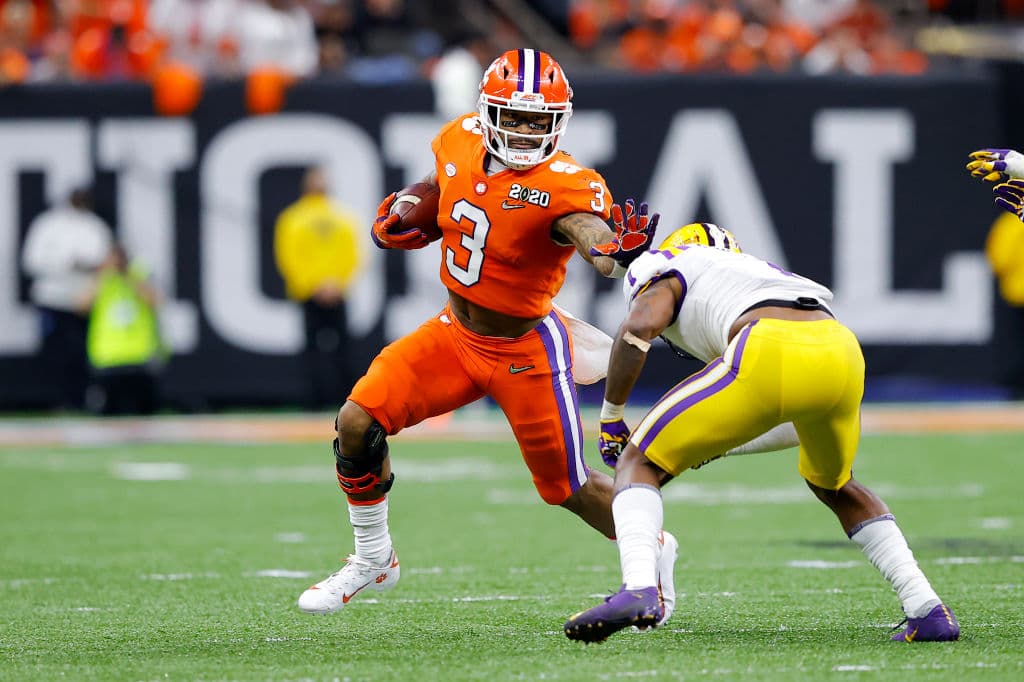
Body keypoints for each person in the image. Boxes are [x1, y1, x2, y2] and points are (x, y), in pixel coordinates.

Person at [296, 48, 679, 624]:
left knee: (566, 487)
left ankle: (654, 552)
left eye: (538, 121)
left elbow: (588, 234)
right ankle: (374, 557)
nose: (525, 131)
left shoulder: (566, 183)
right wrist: (411, 210)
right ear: (487, 112)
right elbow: (439, 186)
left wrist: (611, 252)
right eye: (515, 117)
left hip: (525, 347)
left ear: (559, 123)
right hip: (454, 334)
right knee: (356, 421)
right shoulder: (458, 139)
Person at [563, 223, 959, 644]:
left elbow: (639, 327)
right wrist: (714, 445)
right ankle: (927, 608)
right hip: (841, 351)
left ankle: (639, 589)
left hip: (768, 345)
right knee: (836, 485)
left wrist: (611, 415)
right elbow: (793, 426)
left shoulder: (672, 263)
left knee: (638, 461)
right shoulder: (754, 273)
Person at [274, 166, 363, 410]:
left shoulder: (294, 218)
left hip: (315, 292)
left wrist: (316, 285)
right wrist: (333, 284)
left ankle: (319, 402)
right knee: (337, 350)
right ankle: (343, 400)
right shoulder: (341, 217)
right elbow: (352, 255)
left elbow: (288, 257)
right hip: (326, 292)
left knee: (320, 350)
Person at [21, 186, 113, 410]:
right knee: (56, 353)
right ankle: (57, 400)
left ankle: (81, 400)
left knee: (82, 354)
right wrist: (68, 264)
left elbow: (106, 264)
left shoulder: (95, 227)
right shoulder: (48, 224)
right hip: (53, 301)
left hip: (84, 302)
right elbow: (31, 261)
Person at [84, 243, 166, 416]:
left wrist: (129, 276)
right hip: (107, 357)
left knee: (144, 413)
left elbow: (156, 301)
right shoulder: (102, 277)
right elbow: (81, 305)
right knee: (108, 415)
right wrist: (103, 274)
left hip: (139, 357)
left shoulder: (138, 275)